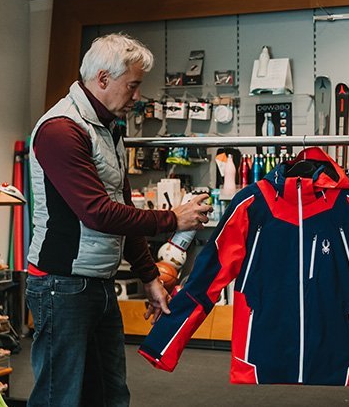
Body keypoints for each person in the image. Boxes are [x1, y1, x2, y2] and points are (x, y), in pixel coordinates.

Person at [26, 33, 211, 407]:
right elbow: (97, 213)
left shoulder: (108, 128)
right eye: (133, 85)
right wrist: (172, 219)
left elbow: (122, 206)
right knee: (59, 399)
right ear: (104, 79)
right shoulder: (60, 130)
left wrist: (150, 278)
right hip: (61, 286)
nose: (137, 96)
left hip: (97, 284)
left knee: (111, 396)